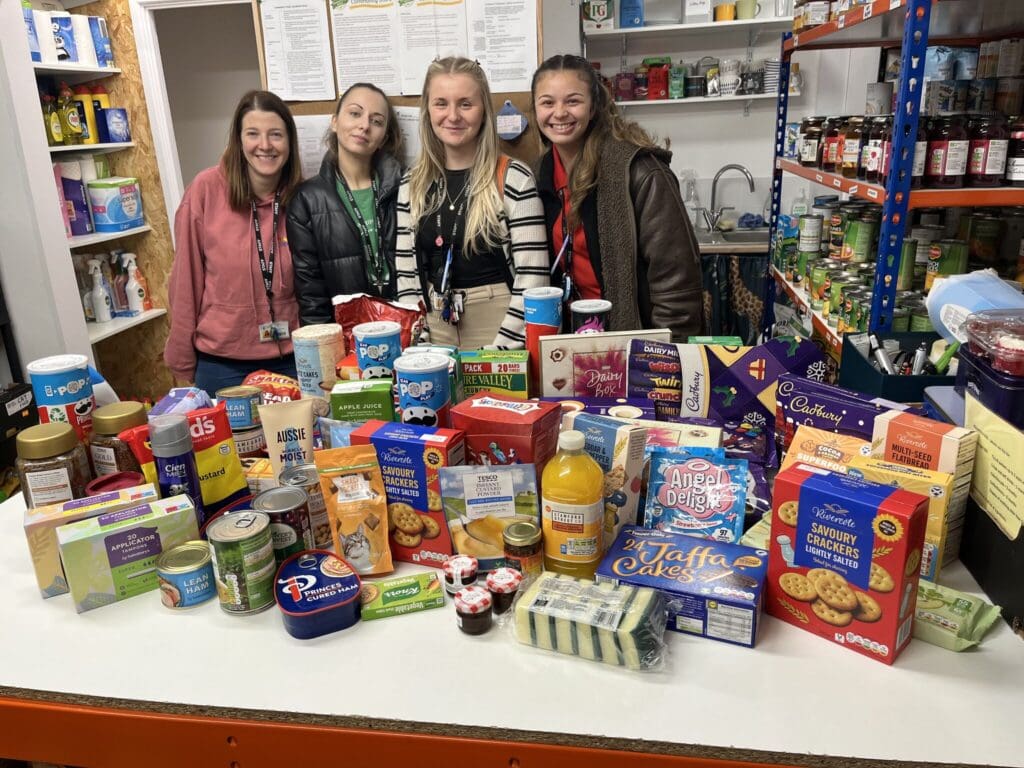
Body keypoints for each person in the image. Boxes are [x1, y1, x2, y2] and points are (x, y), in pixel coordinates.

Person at [531, 54, 704, 341]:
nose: (559, 113)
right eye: (547, 102)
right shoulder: (538, 175)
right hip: (567, 339)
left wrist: (664, 356)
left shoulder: (639, 171)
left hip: (631, 341)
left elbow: (677, 286)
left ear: (594, 106)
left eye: (573, 101)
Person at [395, 57, 549, 349]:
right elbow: (407, 277)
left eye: (466, 104)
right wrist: (421, 344)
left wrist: (499, 354)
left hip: (501, 326)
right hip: (433, 327)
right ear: (428, 110)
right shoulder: (412, 184)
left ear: (483, 112)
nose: (453, 116)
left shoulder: (514, 178)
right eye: (441, 103)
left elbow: (534, 280)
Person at [165, 90, 302, 394]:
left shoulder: (302, 198)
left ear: (290, 143)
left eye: (276, 135)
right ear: (239, 141)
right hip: (222, 363)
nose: (265, 145)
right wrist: (182, 357)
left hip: (291, 359)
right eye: (253, 134)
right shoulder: (206, 190)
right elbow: (186, 281)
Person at [287, 82, 403, 324]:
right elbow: (311, 296)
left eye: (377, 121)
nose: (364, 125)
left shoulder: (405, 189)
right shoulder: (307, 200)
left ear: (383, 138)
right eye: (355, 113)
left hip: (406, 329)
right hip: (345, 340)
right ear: (335, 121)